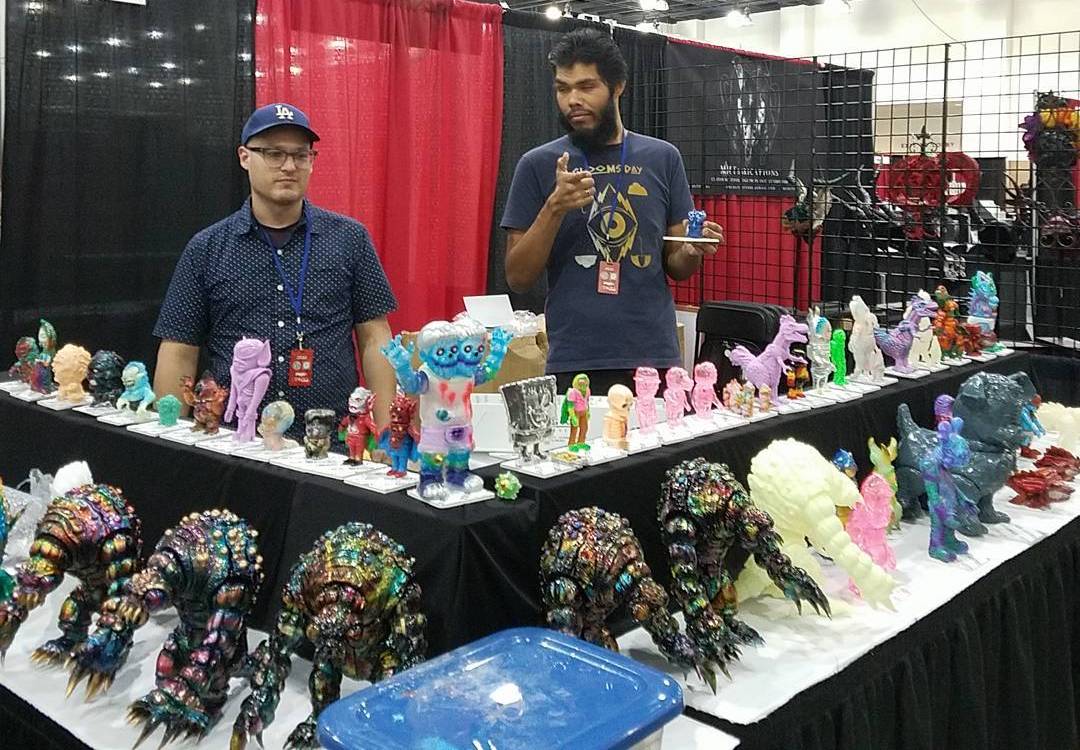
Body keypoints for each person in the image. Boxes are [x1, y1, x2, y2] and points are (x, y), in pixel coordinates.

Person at [501, 29, 724, 395]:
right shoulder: (538, 164)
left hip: (653, 356)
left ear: (618, 86)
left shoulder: (663, 158)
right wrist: (554, 208)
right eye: (563, 88)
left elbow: (678, 267)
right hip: (574, 359)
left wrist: (690, 249)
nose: (573, 100)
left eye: (586, 87)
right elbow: (518, 277)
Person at [153, 102, 398, 432]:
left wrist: (387, 433)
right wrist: (167, 435)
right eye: (273, 154)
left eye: (300, 155)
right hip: (234, 440)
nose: (289, 166)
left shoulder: (349, 238)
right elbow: (180, 348)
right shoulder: (207, 248)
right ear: (244, 157)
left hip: (330, 440)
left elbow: (375, 338)